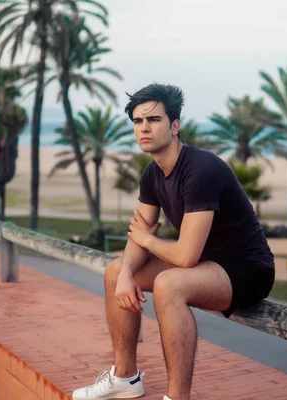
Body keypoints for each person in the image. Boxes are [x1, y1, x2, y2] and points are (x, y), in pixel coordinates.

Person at [72, 83, 275, 400]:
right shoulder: (152, 174)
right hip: (206, 263)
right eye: (138, 122)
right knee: (115, 272)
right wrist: (127, 273)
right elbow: (139, 237)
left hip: (246, 268)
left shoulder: (201, 168)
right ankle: (125, 379)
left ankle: (177, 397)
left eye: (153, 119)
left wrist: (145, 239)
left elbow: (184, 256)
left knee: (169, 284)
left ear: (175, 125)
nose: (144, 128)